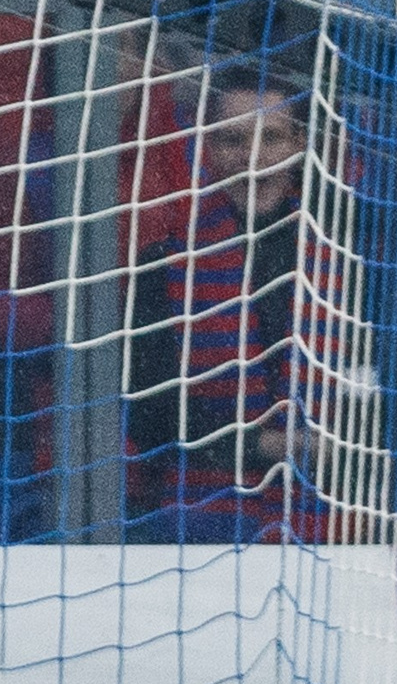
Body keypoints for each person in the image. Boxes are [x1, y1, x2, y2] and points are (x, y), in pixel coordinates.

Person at [125, 69, 339, 543]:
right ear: (209, 148)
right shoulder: (164, 263)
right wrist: (262, 445)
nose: (253, 159)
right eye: (233, 141)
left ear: (300, 143)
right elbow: (152, 414)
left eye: (273, 138)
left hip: (328, 522)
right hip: (204, 519)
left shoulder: (342, 261)